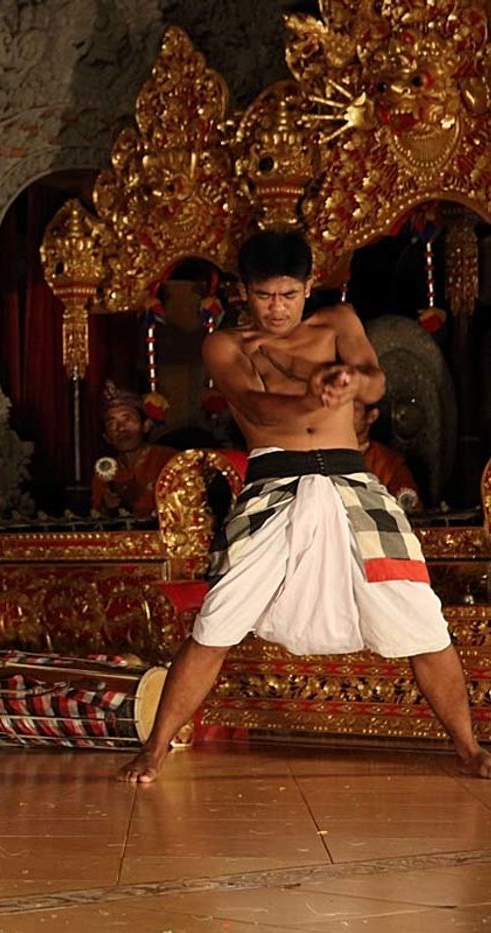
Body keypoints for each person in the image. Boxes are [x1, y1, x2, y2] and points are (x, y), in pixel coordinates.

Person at [118, 229, 491, 783]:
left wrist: (350, 380)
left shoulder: (338, 321)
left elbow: (373, 380)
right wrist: (315, 396)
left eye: (289, 295)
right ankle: (154, 749)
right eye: (265, 296)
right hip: (274, 490)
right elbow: (255, 408)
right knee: (218, 618)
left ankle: (468, 748)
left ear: (309, 286)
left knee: (420, 614)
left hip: (354, 488)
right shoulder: (226, 345)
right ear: (244, 292)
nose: (277, 308)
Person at [91, 382, 176, 517]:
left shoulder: (168, 460)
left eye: (128, 419)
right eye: (112, 423)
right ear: (106, 436)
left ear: (146, 426)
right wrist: (107, 507)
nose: (121, 428)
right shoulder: (104, 471)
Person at [354, 398, 422, 510]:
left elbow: (409, 505)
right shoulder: (321, 455)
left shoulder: (389, 463)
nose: (344, 417)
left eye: (354, 410)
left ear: (372, 416)